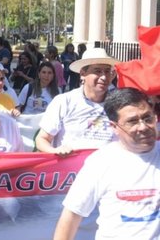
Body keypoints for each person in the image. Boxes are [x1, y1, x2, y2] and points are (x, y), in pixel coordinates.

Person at [53, 88, 159, 240]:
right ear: (114, 127)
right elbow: (71, 215)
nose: (143, 127)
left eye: (148, 118)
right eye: (132, 121)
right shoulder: (100, 162)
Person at [35, 48, 118, 155]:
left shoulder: (118, 105)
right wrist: (56, 151)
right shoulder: (64, 102)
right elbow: (41, 139)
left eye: (107, 71)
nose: (104, 77)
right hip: (72, 170)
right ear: (83, 74)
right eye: (97, 71)